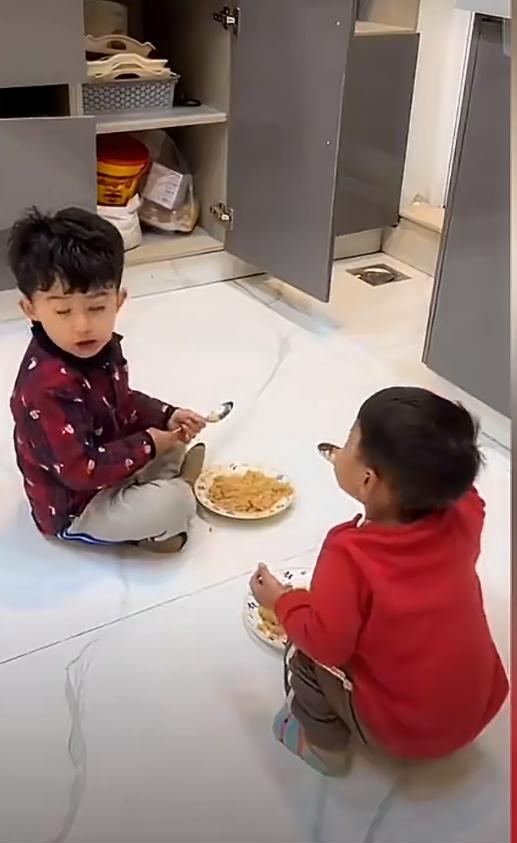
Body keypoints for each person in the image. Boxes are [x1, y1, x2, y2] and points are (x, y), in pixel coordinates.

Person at [250, 387, 508, 774]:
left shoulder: (351, 554)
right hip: (480, 706)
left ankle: (324, 748)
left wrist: (281, 600)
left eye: (348, 441)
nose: (339, 450)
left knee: (302, 652)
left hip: (406, 734)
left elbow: (327, 644)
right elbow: (468, 492)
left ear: (367, 480)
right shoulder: (465, 512)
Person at [9, 207, 206, 553]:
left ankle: (163, 487)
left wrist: (168, 415)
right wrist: (149, 444)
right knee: (173, 504)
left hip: (109, 462)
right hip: (77, 505)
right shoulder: (46, 388)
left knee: (174, 436)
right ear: (31, 310)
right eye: (62, 311)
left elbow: (123, 400)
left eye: (97, 307)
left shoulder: (102, 345)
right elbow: (79, 471)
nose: (82, 326)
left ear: (118, 301)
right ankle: (168, 501)